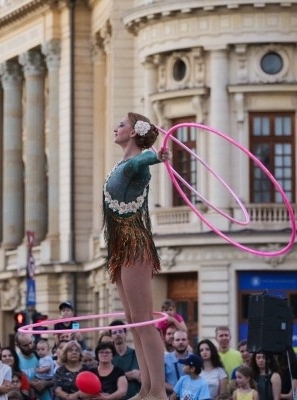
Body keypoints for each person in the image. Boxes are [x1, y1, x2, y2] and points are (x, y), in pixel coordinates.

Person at [104, 112, 170, 400]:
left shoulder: (137, 165)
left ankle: (158, 391)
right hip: (119, 247)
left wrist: (159, 156)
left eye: (121, 124)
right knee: (133, 320)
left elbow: (145, 160)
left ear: (133, 133)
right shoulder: (121, 164)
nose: (116, 128)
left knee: (143, 321)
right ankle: (146, 387)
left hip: (134, 244)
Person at [110, 320, 141, 400]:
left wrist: (115, 377)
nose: (117, 334)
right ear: (111, 337)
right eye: (114, 333)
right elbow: (107, 377)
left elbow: (139, 376)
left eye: (120, 331)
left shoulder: (136, 354)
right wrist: (131, 375)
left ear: (126, 334)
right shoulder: (109, 356)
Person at [166, 330, 191, 394]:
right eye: (177, 340)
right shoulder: (165, 359)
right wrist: (178, 390)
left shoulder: (194, 359)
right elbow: (160, 383)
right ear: (173, 342)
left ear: (188, 342)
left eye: (183, 339)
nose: (181, 342)